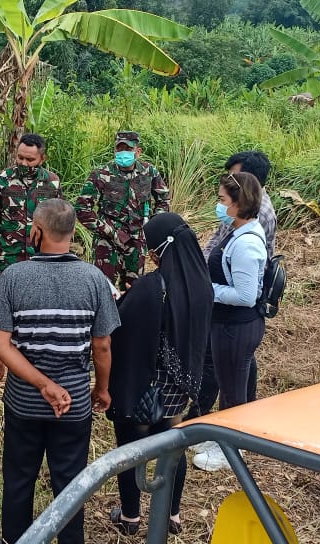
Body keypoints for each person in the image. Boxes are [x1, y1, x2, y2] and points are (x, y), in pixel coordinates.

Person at [0, 199, 120, 544]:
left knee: (18, 477)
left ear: (36, 231)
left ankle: (14, 539)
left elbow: (0, 346)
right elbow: (102, 347)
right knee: (70, 480)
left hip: (23, 402)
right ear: (73, 233)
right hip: (74, 401)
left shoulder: (12, 277)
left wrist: (41, 384)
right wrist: (101, 389)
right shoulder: (94, 279)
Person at [106, 212, 213, 536]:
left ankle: (130, 516)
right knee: (173, 452)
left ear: (161, 251)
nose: (149, 254)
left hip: (145, 389)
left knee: (130, 450)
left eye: (151, 248)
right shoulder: (203, 287)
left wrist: (121, 299)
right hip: (180, 392)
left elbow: (120, 327)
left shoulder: (153, 286)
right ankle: (172, 514)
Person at [187, 151, 277, 467]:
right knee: (229, 379)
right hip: (228, 323)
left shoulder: (249, 240)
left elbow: (245, 295)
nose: (219, 204)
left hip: (236, 323)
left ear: (239, 203)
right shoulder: (239, 229)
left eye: (223, 198)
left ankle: (230, 448)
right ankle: (223, 435)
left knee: (234, 387)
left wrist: (206, 290)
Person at [0, 133, 62, 373]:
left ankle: (31, 353)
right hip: (7, 256)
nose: (24, 163)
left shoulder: (52, 183)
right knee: (0, 305)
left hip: (39, 256)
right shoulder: (2, 180)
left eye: (30, 160)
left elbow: (58, 220)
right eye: (20, 158)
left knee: (39, 302)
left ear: (42, 158)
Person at [74, 130, 170, 290]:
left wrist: (151, 227)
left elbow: (163, 199)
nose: (123, 153)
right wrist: (108, 230)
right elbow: (82, 208)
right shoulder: (101, 174)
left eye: (128, 149)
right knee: (104, 289)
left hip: (136, 241)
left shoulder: (149, 172)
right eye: (119, 149)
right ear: (114, 150)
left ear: (138, 152)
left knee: (134, 290)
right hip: (108, 242)